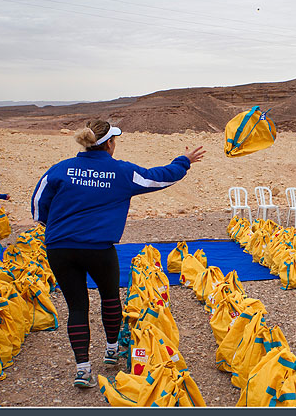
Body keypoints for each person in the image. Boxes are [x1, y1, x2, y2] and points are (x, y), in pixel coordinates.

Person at [31, 120, 205, 388]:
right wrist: (184, 161)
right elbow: (158, 177)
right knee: (110, 297)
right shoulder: (121, 171)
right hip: (99, 248)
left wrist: (50, 226)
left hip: (60, 248)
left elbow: (38, 203)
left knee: (76, 306)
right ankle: (112, 350)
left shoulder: (60, 169)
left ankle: (83, 369)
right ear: (109, 144)